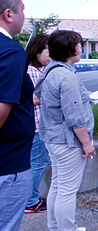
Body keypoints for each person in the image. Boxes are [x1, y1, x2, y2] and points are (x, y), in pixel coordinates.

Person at [37, 30, 96, 231]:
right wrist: (87, 143)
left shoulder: (51, 71)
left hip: (53, 138)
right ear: (69, 49)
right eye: (79, 45)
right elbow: (74, 116)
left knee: (58, 185)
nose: (81, 48)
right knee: (67, 190)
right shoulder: (66, 76)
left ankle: (56, 230)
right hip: (67, 141)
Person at [0, 0, 34, 231]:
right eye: (22, 9)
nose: (25, 15)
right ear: (8, 13)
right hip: (7, 168)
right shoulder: (10, 52)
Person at [24, 33, 51, 214]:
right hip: (36, 126)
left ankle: (31, 199)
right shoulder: (32, 71)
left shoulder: (40, 70)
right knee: (38, 163)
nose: (51, 54)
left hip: (39, 125)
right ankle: (31, 201)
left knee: (39, 161)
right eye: (48, 51)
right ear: (37, 52)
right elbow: (33, 98)